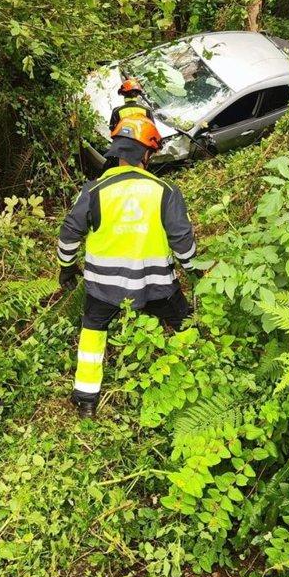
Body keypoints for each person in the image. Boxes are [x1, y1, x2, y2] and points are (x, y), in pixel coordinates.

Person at [57, 116, 197, 417]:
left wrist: (66, 267)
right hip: (156, 286)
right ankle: (197, 369)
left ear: (117, 150)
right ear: (147, 154)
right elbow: (182, 240)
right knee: (186, 323)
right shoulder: (165, 191)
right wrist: (193, 270)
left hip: (103, 288)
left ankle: (86, 399)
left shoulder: (93, 190)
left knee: (92, 332)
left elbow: (69, 233)